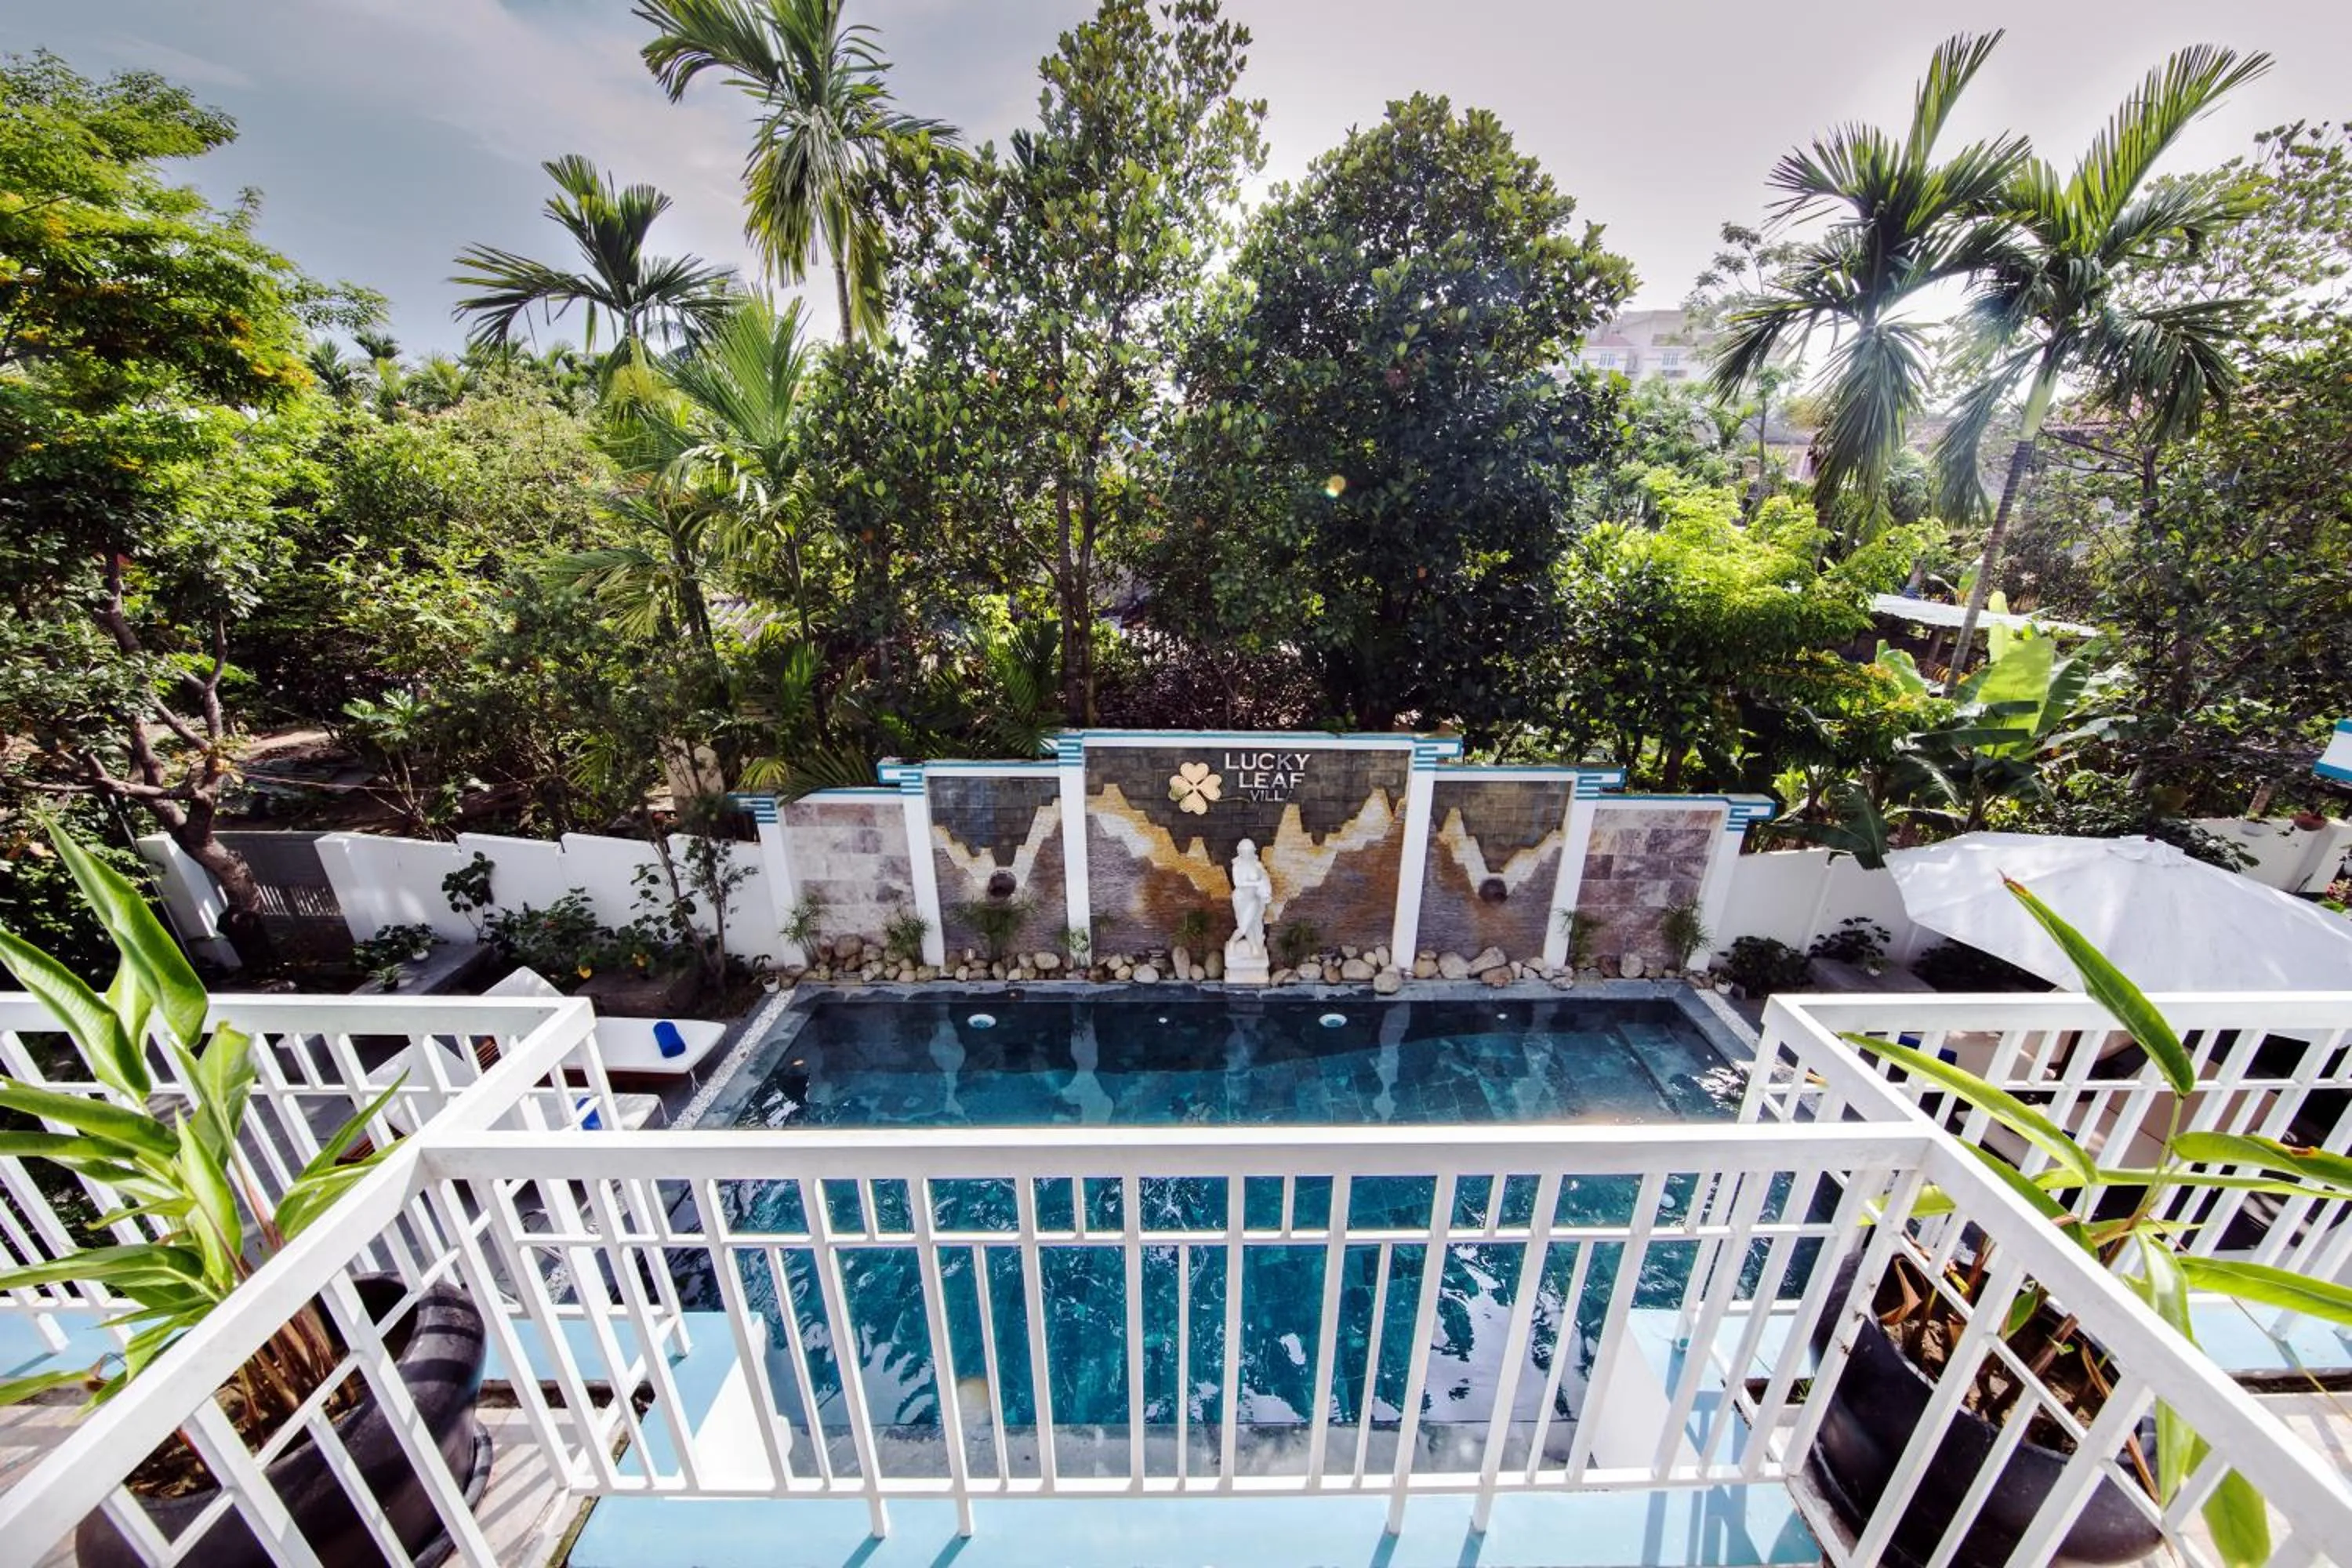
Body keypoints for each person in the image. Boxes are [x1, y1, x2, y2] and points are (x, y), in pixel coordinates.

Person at [1229, 838, 1272, 953]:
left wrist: (1264, 883)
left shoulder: (1257, 865)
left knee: (1252, 922)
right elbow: (1238, 883)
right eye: (1245, 851)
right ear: (1240, 852)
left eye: (1250, 851)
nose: (1247, 854)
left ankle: (1254, 946)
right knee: (1244, 925)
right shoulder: (1237, 866)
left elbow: (1265, 878)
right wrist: (1256, 883)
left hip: (1254, 899)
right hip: (1241, 898)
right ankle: (1233, 941)